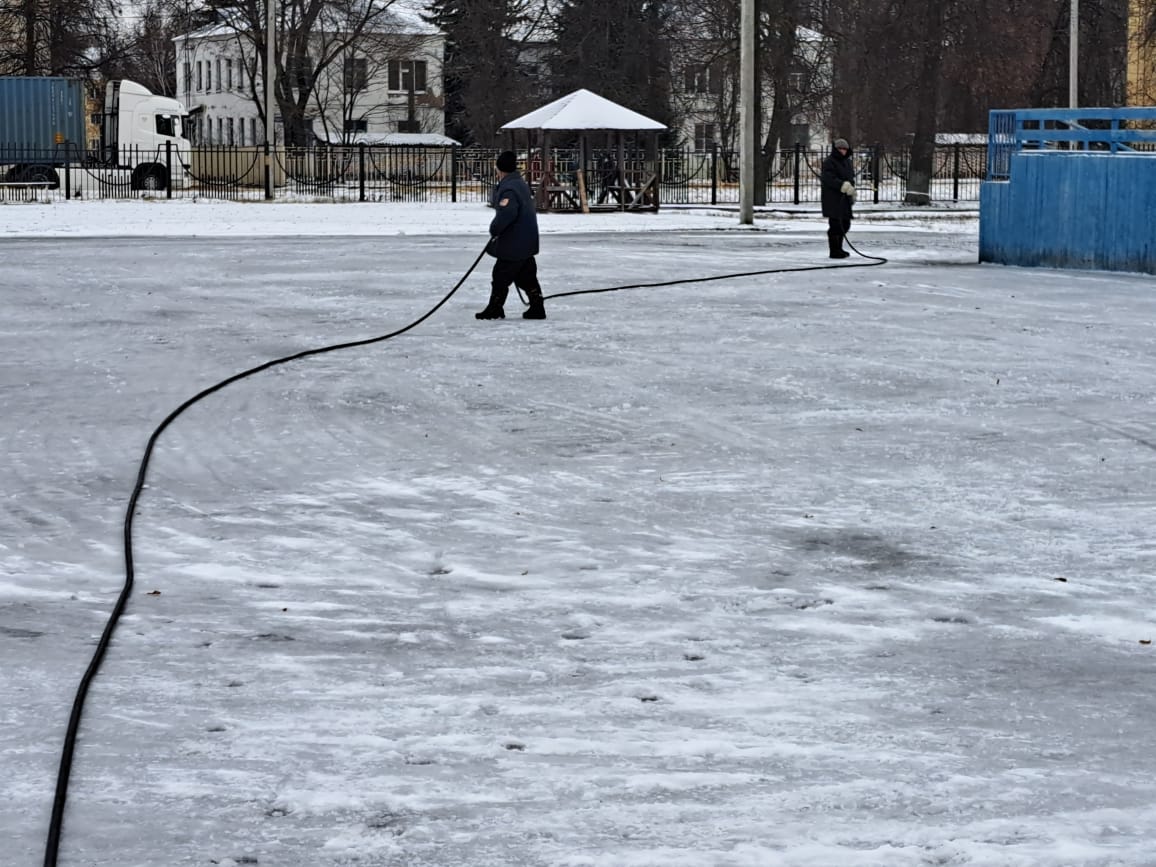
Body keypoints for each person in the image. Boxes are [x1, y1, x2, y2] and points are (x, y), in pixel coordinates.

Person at [476, 150, 547, 320]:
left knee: (500, 275)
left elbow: (506, 214)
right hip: (526, 241)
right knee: (527, 277)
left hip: (514, 243)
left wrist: (495, 229)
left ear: (499, 169)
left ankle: (495, 308)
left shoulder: (509, 188)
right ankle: (537, 307)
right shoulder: (519, 183)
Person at [821, 138, 856, 259]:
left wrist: (852, 190)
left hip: (845, 198)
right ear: (836, 149)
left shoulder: (847, 162)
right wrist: (842, 185)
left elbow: (851, 178)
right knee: (836, 225)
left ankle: (839, 248)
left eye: (845, 149)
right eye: (840, 148)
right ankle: (834, 250)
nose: (843, 151)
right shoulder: (829, 162)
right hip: (833, 199)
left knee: (845, 224)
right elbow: (828, 178)